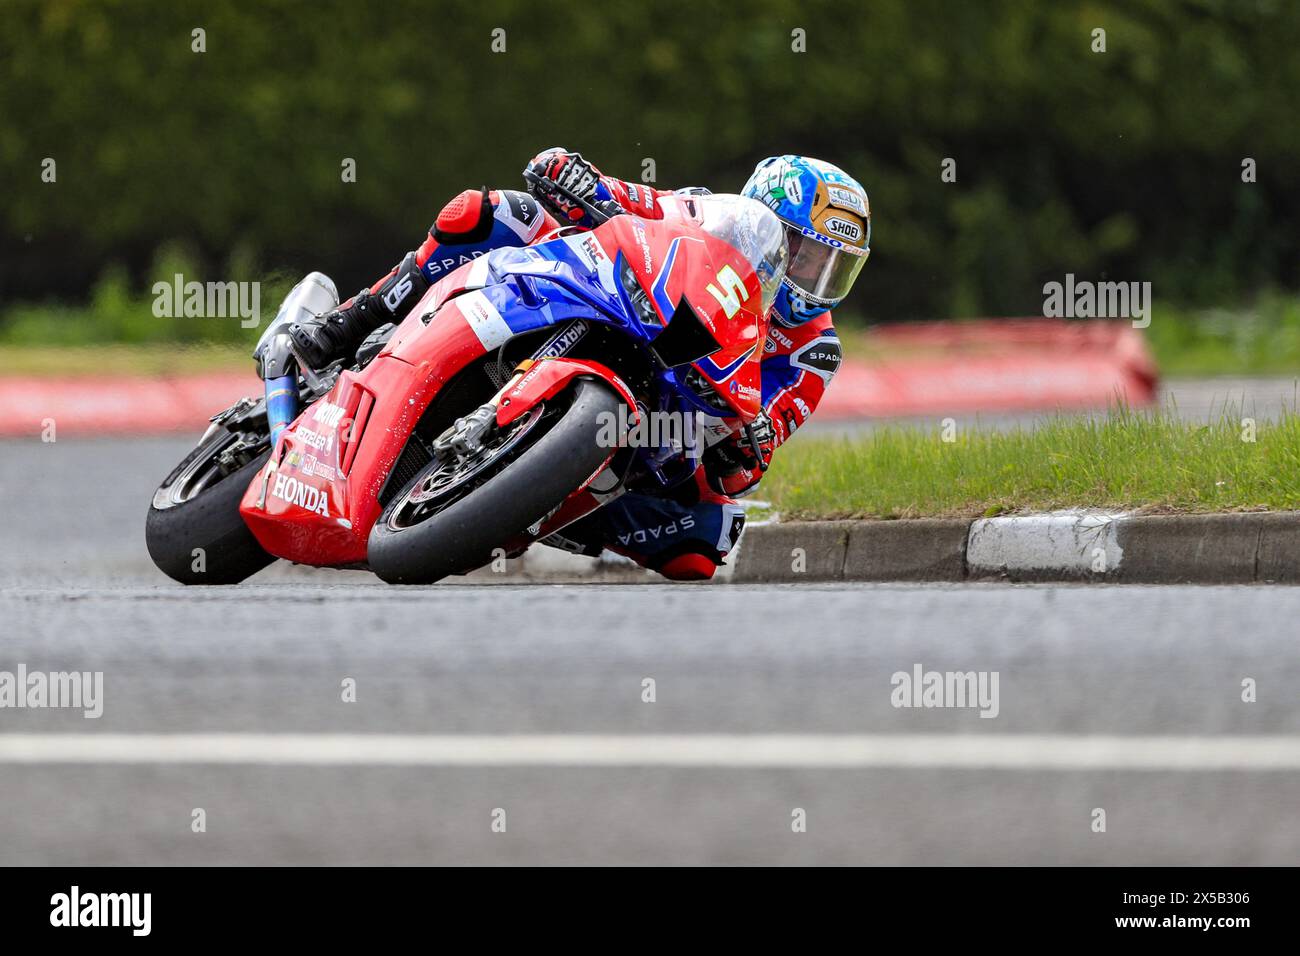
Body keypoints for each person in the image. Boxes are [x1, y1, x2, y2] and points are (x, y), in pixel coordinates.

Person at [286, 149, 871, 579]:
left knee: (698, 548)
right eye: (803, 255)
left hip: (662, 428)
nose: (812, 281)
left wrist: (754, 443)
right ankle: (345, 326)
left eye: (832, 269)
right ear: (760, 220)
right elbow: (630, 200)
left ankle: (539, 497)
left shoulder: (812, 350)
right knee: (493, 215)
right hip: (599, 300)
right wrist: (576, 176)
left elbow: (761, 441)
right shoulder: (700, 215)